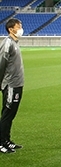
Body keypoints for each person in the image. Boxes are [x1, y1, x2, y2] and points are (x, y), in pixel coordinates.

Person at [0, 18, 25, 154]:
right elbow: (1, 64)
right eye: (18, 26)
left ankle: (7, 140)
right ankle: (1, 142)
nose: (21, 28)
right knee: (7, 113)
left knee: (11, 114)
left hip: (17, 84)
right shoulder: (8, 43)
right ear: (11, 29)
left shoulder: (15, 43)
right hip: (10, 85)